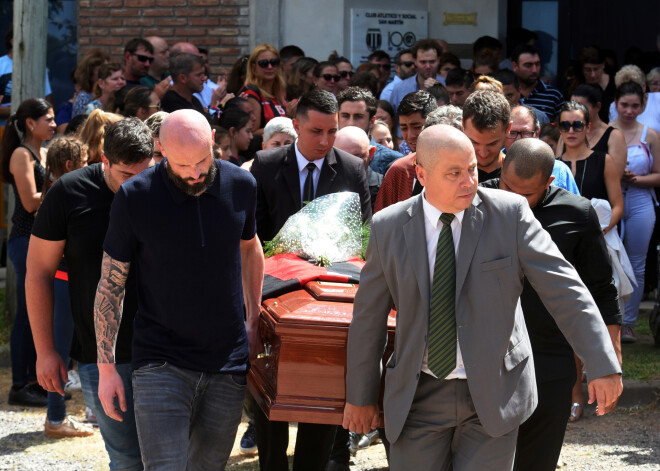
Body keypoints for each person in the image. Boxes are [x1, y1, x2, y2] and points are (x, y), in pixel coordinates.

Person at [342, 123, 622, 471]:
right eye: (454, 173)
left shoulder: (510, 214)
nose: (469, 182)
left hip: (494, 392)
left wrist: (602, 362)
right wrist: (360, 395)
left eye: (472, 168)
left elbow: (564, 288)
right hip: (418, 395)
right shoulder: (388, 226)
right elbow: (368, 317)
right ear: (422, 173)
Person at [93, 110, 263, 470]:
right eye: (183, 165)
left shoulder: (241, 185)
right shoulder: (135, 196)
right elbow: (112, 283)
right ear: (160, 149)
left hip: (227, 361)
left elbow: (250, 246)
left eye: (202, 161)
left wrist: (253, 318)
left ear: (214, 141)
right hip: (160, 361)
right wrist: (106, 368)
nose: (196, 173)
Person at [249, 90, 371, 471]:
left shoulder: (351, 169)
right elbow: (249, 235)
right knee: (269, 402)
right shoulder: (266, 166)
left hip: (329, 301)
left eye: (333, 131)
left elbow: (360, 240)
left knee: (323, 393)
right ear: (296, 124)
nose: (325, 140)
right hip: (274, 298)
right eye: (316, 131)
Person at [484, 139, 621, 471]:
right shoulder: (476, 201)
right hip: (486, 355)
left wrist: (609, 357)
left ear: (549, 182)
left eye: (527, 195)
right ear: (501, 166)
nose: (516, 201)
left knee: (537, 460)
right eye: (508, 188)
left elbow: (600, 288)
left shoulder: (577, 213)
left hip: (549, 358)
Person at [27, 118, 153, 470]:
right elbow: (38, 273)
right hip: (103, 354)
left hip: (166, 349)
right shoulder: (69, 192)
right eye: (128, 176)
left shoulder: (163, 186)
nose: (139, 183)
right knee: (127, 458)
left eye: (146, 172)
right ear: (104, 161)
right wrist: (46, 351)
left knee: (174, 456)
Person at [35, 136, 93, 438]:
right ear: (71, 165)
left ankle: (58, 416)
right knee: (58, 352)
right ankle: (55, 419)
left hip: (66, 283)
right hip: (63, 283)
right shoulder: (64, 192)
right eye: (84, 162)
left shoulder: (57, 190)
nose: (87, 168)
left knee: (66, 352)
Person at [0, 98, 54, 407]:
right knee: (26, 314)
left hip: (42, 241)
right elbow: (31, 202)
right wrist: (63, 184)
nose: (53, 123)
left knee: (42, 312)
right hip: (23, 239)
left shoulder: (44, 152)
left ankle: (37, 380)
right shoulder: (22, 154)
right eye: (46, 119)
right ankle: (19, 384)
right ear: (30, 123)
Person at [611, 81, 660, 343]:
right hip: (611, 199)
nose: (629, 110)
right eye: (624, 105)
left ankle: (629, 323)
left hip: (641, 201)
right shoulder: (607, 132)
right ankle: (612, 320)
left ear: (642, 106)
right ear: (615, 104)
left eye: (635, 105)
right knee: (612, 262)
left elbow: (659, 175)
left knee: (637, 264)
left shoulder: (650, 134)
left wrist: (636, 180)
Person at [558, 101, 623, 234]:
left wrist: (601, 231)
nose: (571, 131)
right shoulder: (554, 164)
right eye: (565, 125)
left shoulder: (604, 160)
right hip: (564, 238)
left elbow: (618, 206)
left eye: (577, 125)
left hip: (600, 235)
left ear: (588, 127)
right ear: (560, 129)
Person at [372, 93, 440, 213]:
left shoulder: (458, 166)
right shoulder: (398, 170)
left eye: (417, 127)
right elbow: (382, 223)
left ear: (434, 123)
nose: (410, 135)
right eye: (404, 128)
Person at [505, 105, 579, 194]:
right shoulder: (492, 165)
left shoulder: (559, 170)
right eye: (512, 133)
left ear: (537, 133)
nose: (518, 139)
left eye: (526, 133)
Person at [337, 87, 403, 175]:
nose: (351, 123)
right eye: (345, 116)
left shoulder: (395, 161)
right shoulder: (323, 155)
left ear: (371, 121)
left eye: (358, 117)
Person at [567, 84, 627, 174]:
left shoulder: (614, 136)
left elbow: (615, 179)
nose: (575, 112)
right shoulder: (566, 132)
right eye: (572, 107)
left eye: (581, 108)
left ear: (597, 107)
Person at [0, 26, 52, 126]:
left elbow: (49, 105)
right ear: (12, 42)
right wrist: (26, 111)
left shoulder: (39, 67)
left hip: (32, 132)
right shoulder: (1, 65)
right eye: (28, 40)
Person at [462, 90, 510, 182]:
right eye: (474, 142)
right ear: (463, 126)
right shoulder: (447, 173)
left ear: (508, 129)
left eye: (492, 144)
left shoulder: (519, 177)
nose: (483, 154)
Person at [240, 44, 287, 135]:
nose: (270, 67)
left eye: (274, 62)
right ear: (254, 67)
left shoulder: (280, 91)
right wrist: (286, 125)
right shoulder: (252, 92)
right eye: (263, 63)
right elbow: (252, 133)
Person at [335, 126, 382, 211]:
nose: (350, 164)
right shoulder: (320, 181)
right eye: (343, 157)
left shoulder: (383, 188)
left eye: (357, 157)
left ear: (371, 153)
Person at [389, 39, 444, 112]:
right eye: (423, 62)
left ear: (439, 60)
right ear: (415, 61)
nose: (428, 66)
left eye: (432, 61)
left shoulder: (447, 86)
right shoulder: (400, 89)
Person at [512, 44, 564, 119]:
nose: (534, 70)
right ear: (515, 66)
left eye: (537, 64)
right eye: (528, 65)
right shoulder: (506, 93)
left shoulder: (554, 95)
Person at [569, 46, 616, 122]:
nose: (593, 75)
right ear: (581, 69)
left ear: (603, 64)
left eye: (596, 69)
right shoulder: (573, 86)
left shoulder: (616, 84)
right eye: (588, 70)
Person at [72, 49, 110, 118]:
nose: (106, 74)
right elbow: (81, 126)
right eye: (101, 71)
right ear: (89, 74)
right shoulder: (83, 98)